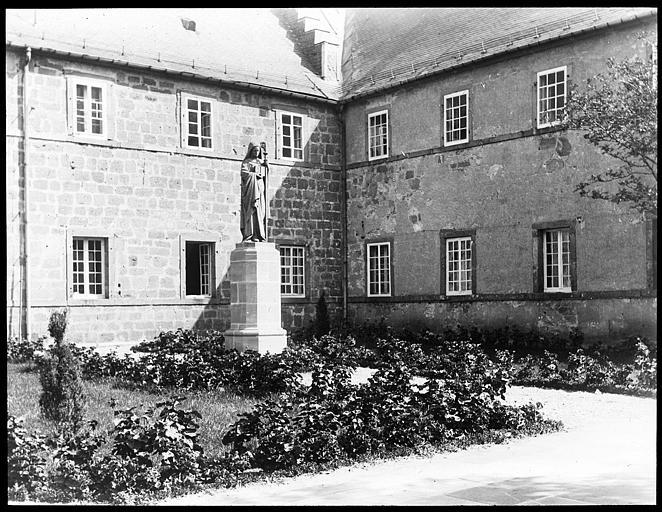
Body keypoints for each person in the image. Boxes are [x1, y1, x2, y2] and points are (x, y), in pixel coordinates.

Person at [240, 142, 268, 242]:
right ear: (251, 151)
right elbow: (244, 174)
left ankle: (258, 234)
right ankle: (249, 234)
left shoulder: (261, 162)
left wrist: (266, 167)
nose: (256, 152)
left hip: (259, 188)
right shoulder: (246, 162)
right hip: (250, 189)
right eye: (254, 150)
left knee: (260, 211)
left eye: (258, 151)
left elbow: (265, 175)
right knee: (251, 210)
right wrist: (254, 174)